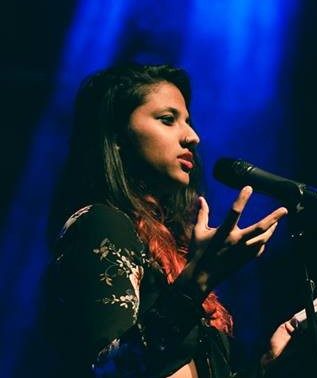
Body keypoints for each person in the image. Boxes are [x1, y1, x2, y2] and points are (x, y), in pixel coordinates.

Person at [45, 63, 296, 378]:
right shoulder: (100, 224)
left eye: (188, 122)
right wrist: (199, 279)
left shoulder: (169, 252)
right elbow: (110, 370)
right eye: (168, 120)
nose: (193, 137)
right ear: (117, 135)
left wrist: (265, 367)